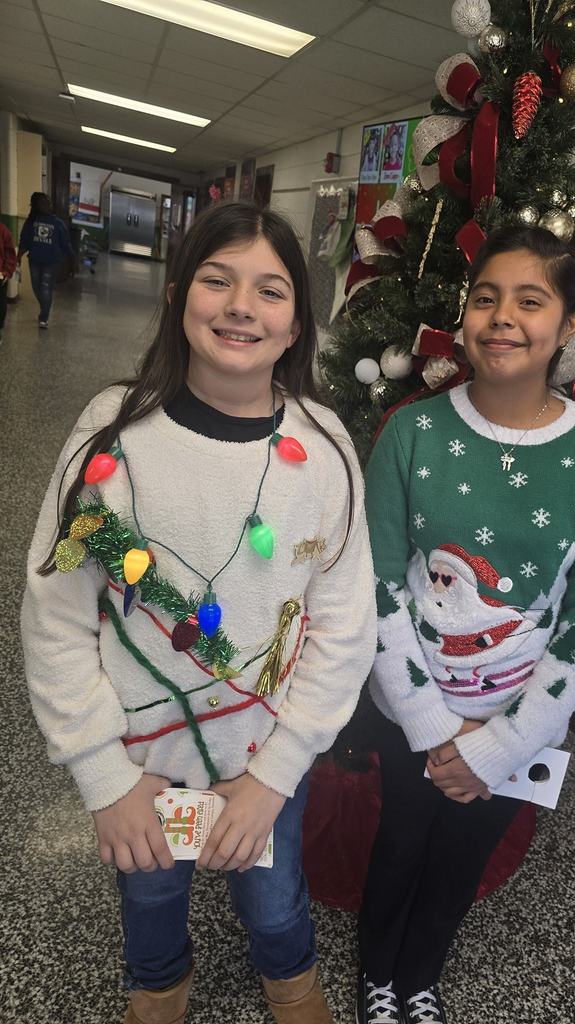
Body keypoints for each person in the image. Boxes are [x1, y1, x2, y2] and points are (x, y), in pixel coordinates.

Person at [21, 200, 377, 1024]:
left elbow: (344, 628)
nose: (240, 305)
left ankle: (292, 984)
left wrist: (272, 778)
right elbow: (57, 613)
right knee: (147, 899)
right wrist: (105, 776)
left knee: (278, 901)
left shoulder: (324, 453)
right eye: (217, 280)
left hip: (261, 764)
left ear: (296, 326)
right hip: (139, 766)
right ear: (178, 296)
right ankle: (157, 991)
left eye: (270, 290)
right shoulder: (110, 438)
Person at [357, 226, 575, 1024]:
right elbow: (376, 587)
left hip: (521, 726)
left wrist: (501, 743)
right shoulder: (411, 432)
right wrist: (431, 726)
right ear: (464, 314)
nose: (501, 318)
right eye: (485, 298)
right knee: (400, 846)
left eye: (529, 300)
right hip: (411, 711)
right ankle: (378, 973)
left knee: (458, 864)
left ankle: (419, 980)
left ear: (570, 326)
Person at [17, 191, 74, 328]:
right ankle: (45, 307)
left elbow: (66, 244)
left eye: (49, 203)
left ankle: (44, 317)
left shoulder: (58, 223)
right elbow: (24, 240)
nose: (49, 205)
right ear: (37, 205)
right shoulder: (31, 222)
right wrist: (18, 256)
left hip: (52, 262)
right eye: (45, 203)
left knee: (45, 288)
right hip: (35, 260)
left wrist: (72, 261)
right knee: (36, 288)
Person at [0, 219, 17, 341]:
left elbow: (10, 254)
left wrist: (6, 272)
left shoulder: (3, 231)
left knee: (0, 306)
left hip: (0, 276)